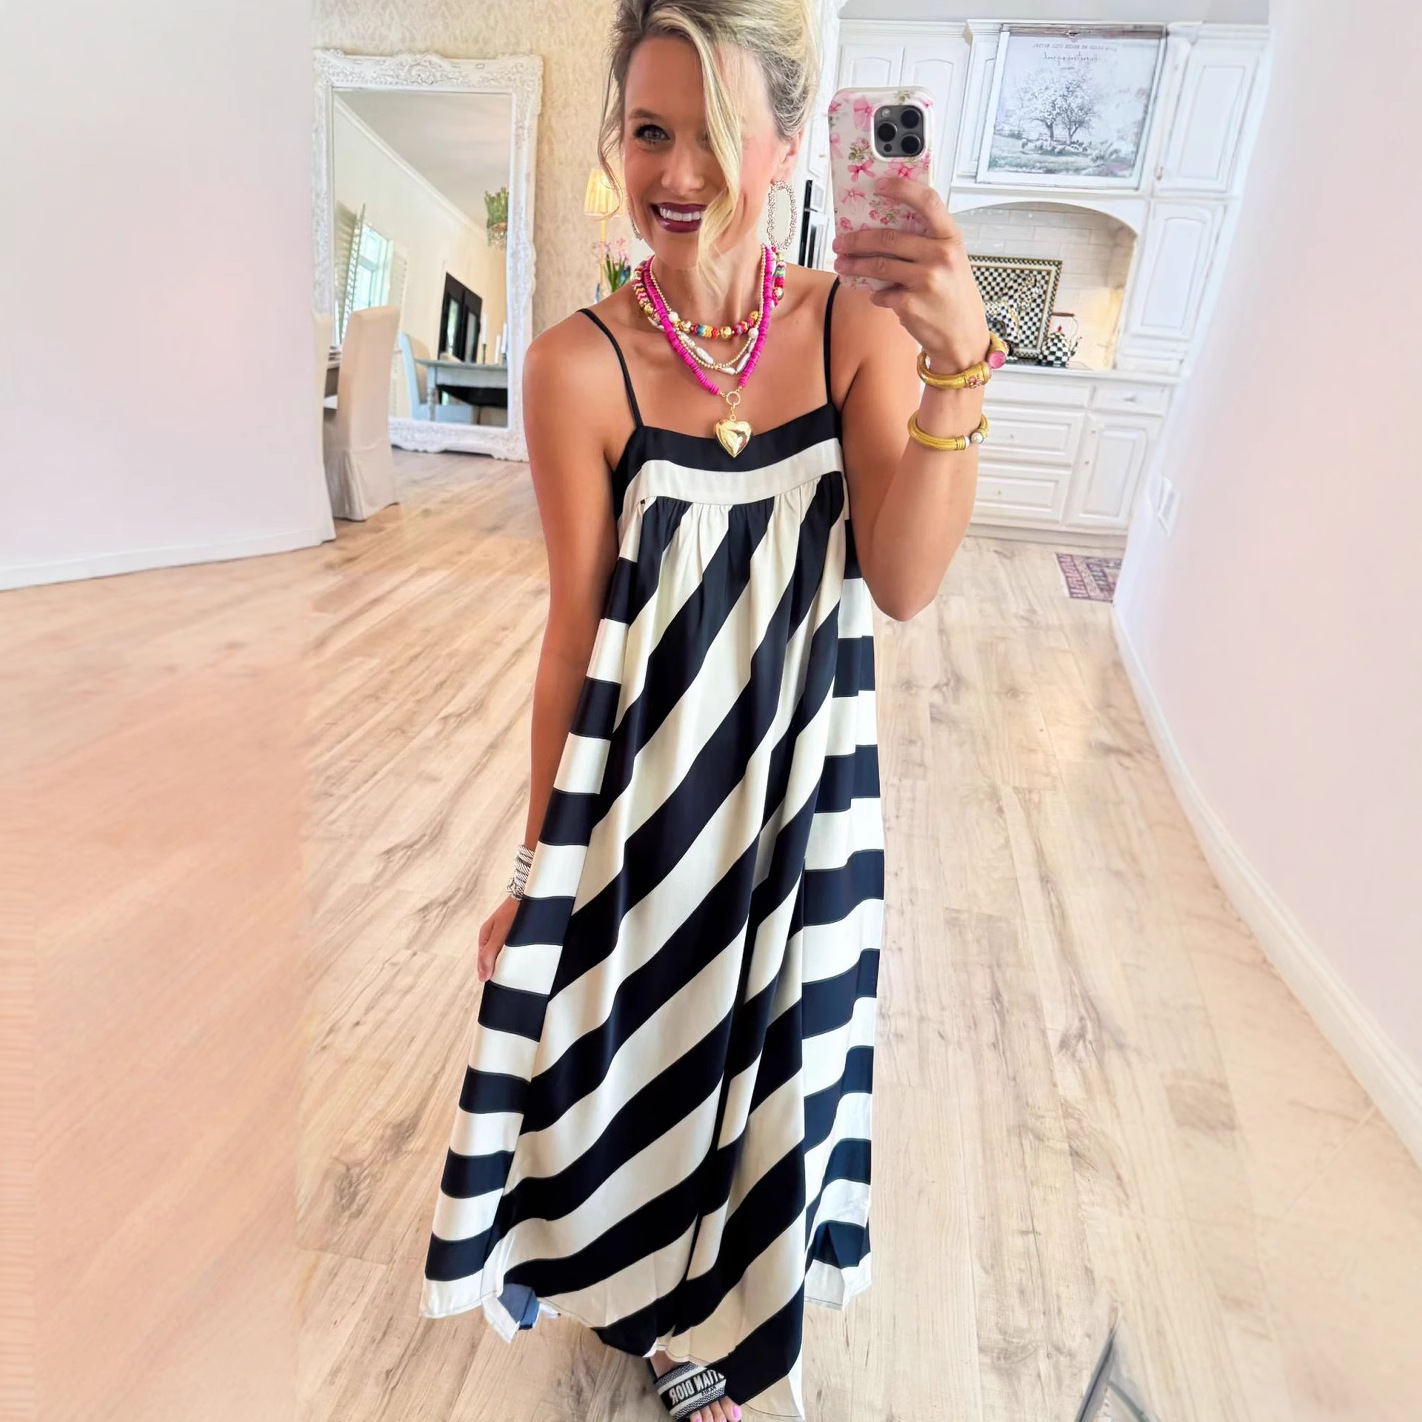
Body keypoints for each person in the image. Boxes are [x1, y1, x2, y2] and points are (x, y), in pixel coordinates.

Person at [418, 2, 992, 1418]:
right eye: (649, 131)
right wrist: (532, 870)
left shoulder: (854, 327)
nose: (680, 172)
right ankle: (649, 1304)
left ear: (789, 145)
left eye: (720, 133)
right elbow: (572, 635)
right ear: (614, 146)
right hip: (647, 806)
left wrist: (959, 360)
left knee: (784, 1062)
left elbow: (903, 581)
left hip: (804, 796)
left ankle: (728, 1335)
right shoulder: (576, 367)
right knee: (639, 1060)